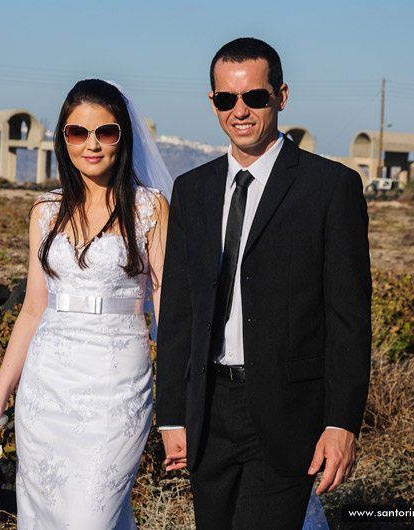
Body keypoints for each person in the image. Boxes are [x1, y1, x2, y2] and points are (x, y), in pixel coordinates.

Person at [156, 37, 372, 529]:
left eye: (254, 97)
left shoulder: (330, 187)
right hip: (208, 412)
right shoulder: (192, 190)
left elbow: (349, 317)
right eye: (225, 99)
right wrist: (173, 414)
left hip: (286, 414)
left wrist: (341, 423)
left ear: (281, 96)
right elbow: (179, 313)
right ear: (212, 102)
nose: (240, 111)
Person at [0, 79, 170, 529]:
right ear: (62, 139)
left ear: (122, 137)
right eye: (77, 132)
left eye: (106, 132)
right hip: (46, 392)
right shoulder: (45, 210)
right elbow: (31, 310)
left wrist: (178, 409)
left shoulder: (150, 208)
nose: (91, 144)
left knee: (92, 516)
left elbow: (166, 308)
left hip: (117, 387)